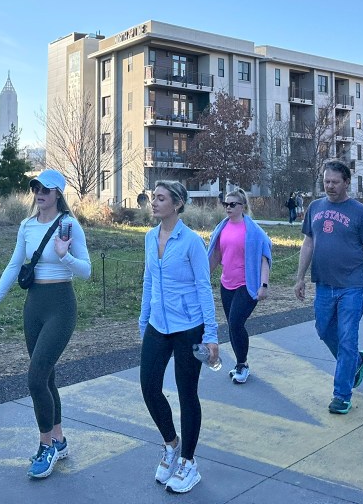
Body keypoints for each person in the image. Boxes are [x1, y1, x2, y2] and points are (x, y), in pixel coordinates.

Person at [0, 169, 91, 479]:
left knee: (35, 378)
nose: (39, 193)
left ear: (58, 194)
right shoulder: (26, 226)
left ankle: (46, 446)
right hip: (34, 307)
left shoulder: (70, 225)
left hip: (61, 306)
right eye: (36, 188)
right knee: (46, 377)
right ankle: (59, 439)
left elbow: (86, 271)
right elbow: (14, 265)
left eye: (46, 189)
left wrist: (64, 256)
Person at [139, 181, 218, 494]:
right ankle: (171, 444)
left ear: (177, 204)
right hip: (157, 325)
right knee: (149, 387)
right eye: (153, 198)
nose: (154, 203)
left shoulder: (192, 242)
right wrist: (144, 320)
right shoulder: (149, 237)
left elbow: (203, 287)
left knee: (187, 394)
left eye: (160, 198)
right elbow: (148, 280)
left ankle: (188, 462)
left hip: (189, 327)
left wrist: (211, 334)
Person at [294, 160, 363, 414]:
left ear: (346, 183)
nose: (330, 186)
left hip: (352, 287)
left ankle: (342, 395)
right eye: (326, 181)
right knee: (323, 330)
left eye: (335, 182)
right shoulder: (315, 207)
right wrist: (300, 277)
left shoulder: (360, 213)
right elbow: (308, 243)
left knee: (347, 338)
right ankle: (355, 361)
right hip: (324, 284)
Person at [208, 188, 272, 384]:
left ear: (242, 206)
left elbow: (264, 258)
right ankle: (239, 364)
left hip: (247, 284)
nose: (228, 207)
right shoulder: (222, 228)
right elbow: (216, 255)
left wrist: (263, 285)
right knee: (232, 325)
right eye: (225, 204)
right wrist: (202, 279)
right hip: (226, 283)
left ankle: (242, 365)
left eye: (232, 204)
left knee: (236, 323)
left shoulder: (253, 231)